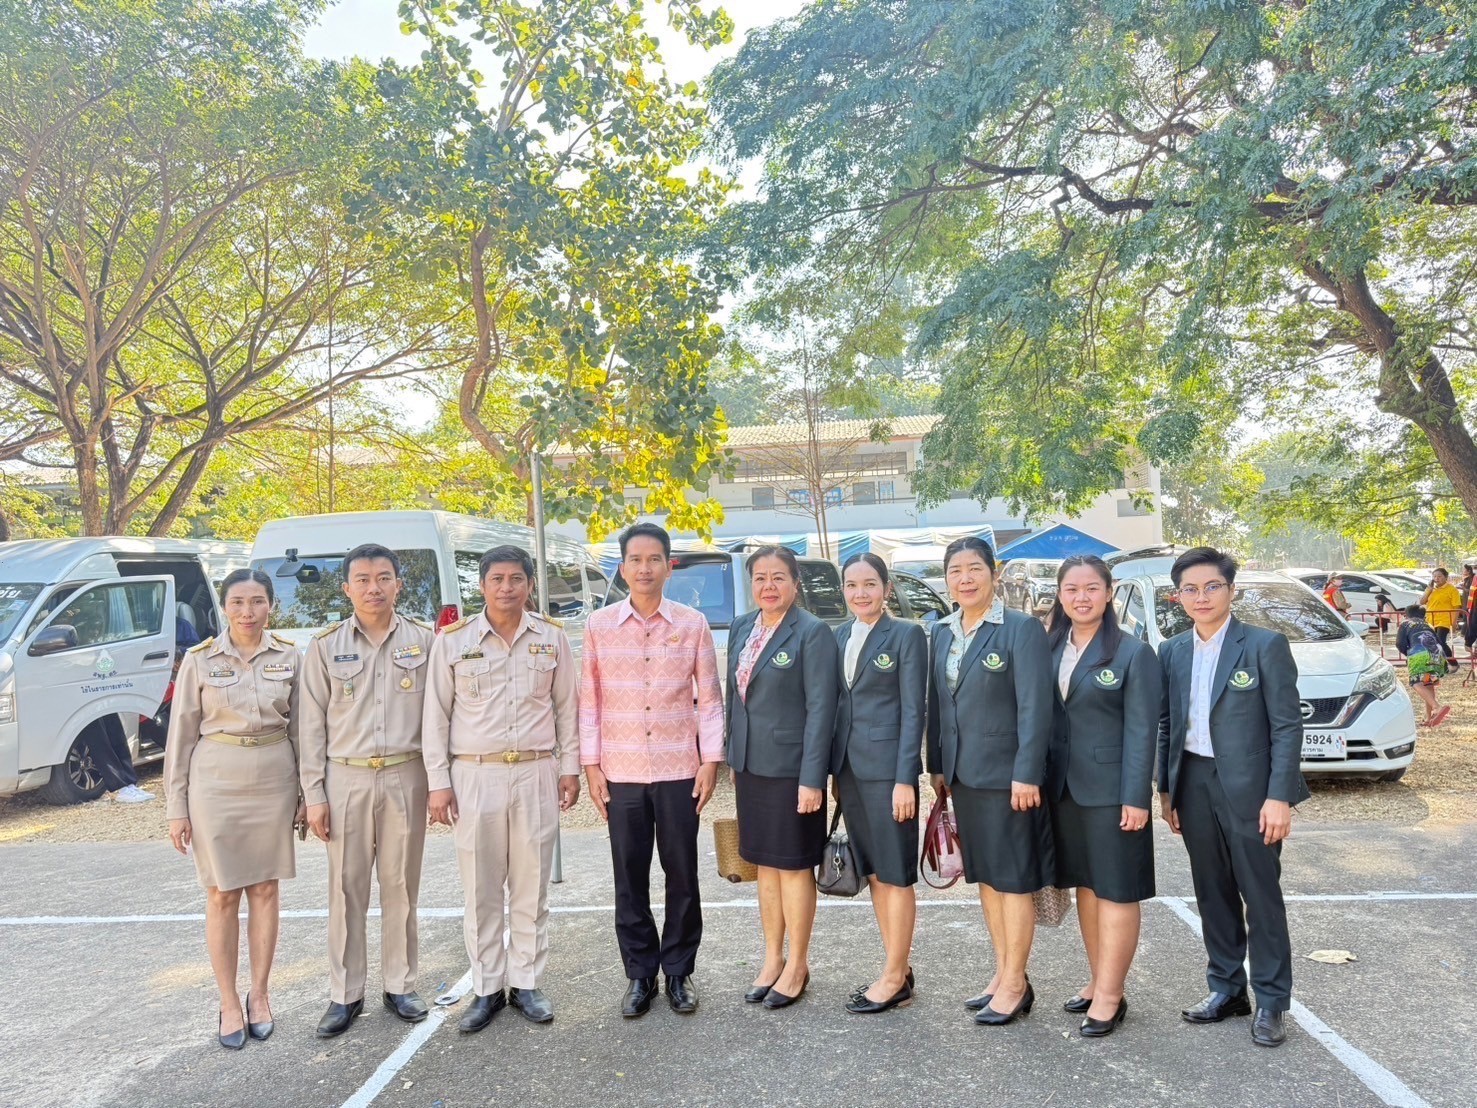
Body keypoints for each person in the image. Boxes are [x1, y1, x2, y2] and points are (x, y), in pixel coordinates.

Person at [1157, 547, 1310, 1049]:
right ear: (1178, 596)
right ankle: (1227, 988)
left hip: (1251, 789)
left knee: (1260, 894)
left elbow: (1288, 726)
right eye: (1190, 589)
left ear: (1231, 590)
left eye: (1212, 586)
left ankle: (1271, 1000)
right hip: (1193, 782)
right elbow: (1167, 724)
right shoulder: (1173, 651)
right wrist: (1166, 788)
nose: (1201, 597)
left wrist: (1279, 796)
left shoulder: (1264, 646)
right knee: (1212, 890)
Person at [422, 546, 580, 1031]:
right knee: (481, 887)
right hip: (475, 775)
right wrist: (438, 783)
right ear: (482, 586)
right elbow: (436, 717)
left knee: (531, 885)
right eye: (497, 579)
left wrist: (569, 768)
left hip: (535, 772)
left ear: (530, 584)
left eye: (516, 578)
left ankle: (527, 983)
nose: (506, 587)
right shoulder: (454, 641)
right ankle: (488, 988)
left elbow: (567, 709)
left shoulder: (551, 638)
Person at [579, 523, 723, 1019]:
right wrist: (591, 765)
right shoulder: (599, 626)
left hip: (680, 767)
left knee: (682, 873)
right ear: (622, 567)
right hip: (621, 770)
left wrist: (710, 760)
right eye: (635, 559)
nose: (644, 568)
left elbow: (710, 700)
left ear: (668, 566)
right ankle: (640, 975)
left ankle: (679, 971)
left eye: (654, 559)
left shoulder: (692, 623)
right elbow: (589, 702)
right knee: (629, 875)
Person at [299, 544, 436, 1038]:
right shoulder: (325, 646)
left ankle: (400, 983)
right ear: (347, 588)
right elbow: (310, 727)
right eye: (362, 579)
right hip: (347, 778)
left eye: (383, 578)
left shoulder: (427, 640)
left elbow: (440, 717)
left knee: (401, 884)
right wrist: (313, 794)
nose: (373, 587)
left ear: (399, 584)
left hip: (406, 774)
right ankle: (345, 993)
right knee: (345, 888)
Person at [163, 569, 303, 1050]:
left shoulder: (289, 655)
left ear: (271, 606)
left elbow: (303, 729)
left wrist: (308, 793)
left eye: (258, 601)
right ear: (225, 607)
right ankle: (227, 1001)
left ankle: (260, 995)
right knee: (222, 892)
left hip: (274, 777)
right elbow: (180, 738)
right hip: (216, 781)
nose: (248, 611)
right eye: (239, 602)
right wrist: (175, 806)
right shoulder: (200, 660)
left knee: (265, 888)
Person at [925, 535, 1054, 1027]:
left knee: (1012, 880)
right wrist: (937, 766)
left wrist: (1026, 773)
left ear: (993, 573)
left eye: (975, 568)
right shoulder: (940, 631)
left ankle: (1017, 983)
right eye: (955, 570)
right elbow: (937, 706)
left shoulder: (1020, 630)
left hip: (1008, 778)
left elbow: (1036, 708)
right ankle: (1002, 972)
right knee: (986, 880)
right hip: (963, 775)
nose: (965, 578)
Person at [1045, 556, 1160, 1038]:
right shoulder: (1049, 647)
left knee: (1116, 889)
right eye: (1071, 589)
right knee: (1086, 888)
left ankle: (1112, 995)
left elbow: (1142, 732)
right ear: (1060, 594)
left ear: (1109, 593)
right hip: (1061, 790)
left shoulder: (1133, 653)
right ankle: (1098, 981)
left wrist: (1136, 797)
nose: (1081, 597)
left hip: (1113, 793)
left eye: (1092, 588)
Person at [725, 544, 839, 1009]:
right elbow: (734, 697)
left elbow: (821, 709)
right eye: (760, 578)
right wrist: (733, 757)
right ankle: (771, 958)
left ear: (795, 583)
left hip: (794, 772)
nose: (768, 587)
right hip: (751, 767)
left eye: (777, 578)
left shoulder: (812, 633)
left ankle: (798, 964)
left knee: (793, 868)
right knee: (765, 867)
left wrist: (813, 777)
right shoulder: (741, 627)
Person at [831, 553, 926, 1015]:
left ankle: (892, 976)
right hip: (850, 772)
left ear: (886, 589)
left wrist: (906, 778)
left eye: (870, 584)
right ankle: (898, 967)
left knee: (895, 872)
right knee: (873, 873)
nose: (860, 593)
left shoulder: (907, 635)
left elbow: (914, 711)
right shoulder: (839, 636)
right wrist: (833, 773)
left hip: (890, 774)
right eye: (852, 585)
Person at [1397, 604, 1450, 727]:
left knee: (1416, 683)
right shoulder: (1428, 625)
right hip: (1436, 654)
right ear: (1424, 615)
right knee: (1428, 683)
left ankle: (1436, 707)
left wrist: (1407, 653)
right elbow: (1439, 641)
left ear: (1407, 614)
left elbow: (1400, 643)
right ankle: (1428, 716)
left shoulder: (1406, 623)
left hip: (1419, 655)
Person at [1420, 568, 1462, 671]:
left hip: (1444, 620)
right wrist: (1428, 590)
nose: (1436, 579)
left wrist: (1454, 622)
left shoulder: (1452, 590)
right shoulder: (1431, 589)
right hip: (1431, 620)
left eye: (1439, 576)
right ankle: (1441, 665)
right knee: (1431, 643)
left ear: (1445, 577)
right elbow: (1422, 602)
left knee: (1441, 641)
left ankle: (1453, 663)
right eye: (1434, 576)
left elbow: (1456, 607)